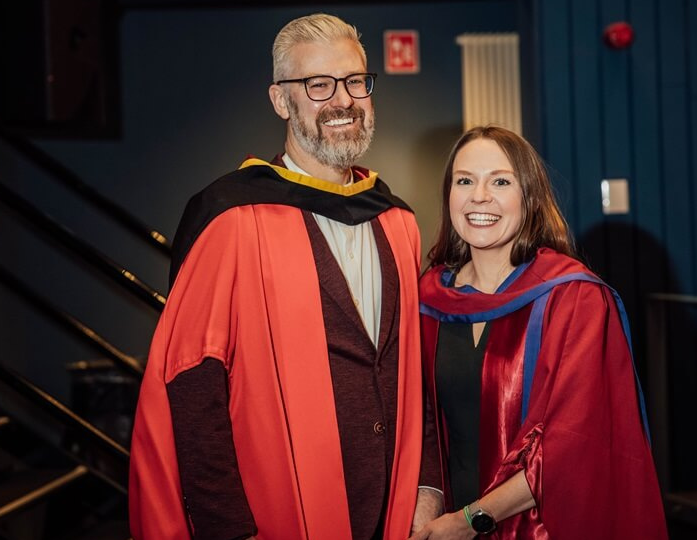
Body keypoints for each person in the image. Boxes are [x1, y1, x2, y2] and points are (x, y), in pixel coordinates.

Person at [128, 13, 442, 540]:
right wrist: (228, 528)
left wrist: (428, 487)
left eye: (354, 81)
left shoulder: (397, 221)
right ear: (280, 100)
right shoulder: (231, 218)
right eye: (317, 85)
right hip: (280, 512)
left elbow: (416, 369)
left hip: (392, 507)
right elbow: (193, 382)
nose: (341, 100)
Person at [410, 126, 668, 539]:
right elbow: (419, 424)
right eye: (465, 181)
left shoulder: (572, 299)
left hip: (538, 527)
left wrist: (471, 520)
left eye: (500, 181)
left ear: (529, 197)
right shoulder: (428, 300)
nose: (479, 196)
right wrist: (427, 507)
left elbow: (574, 443)